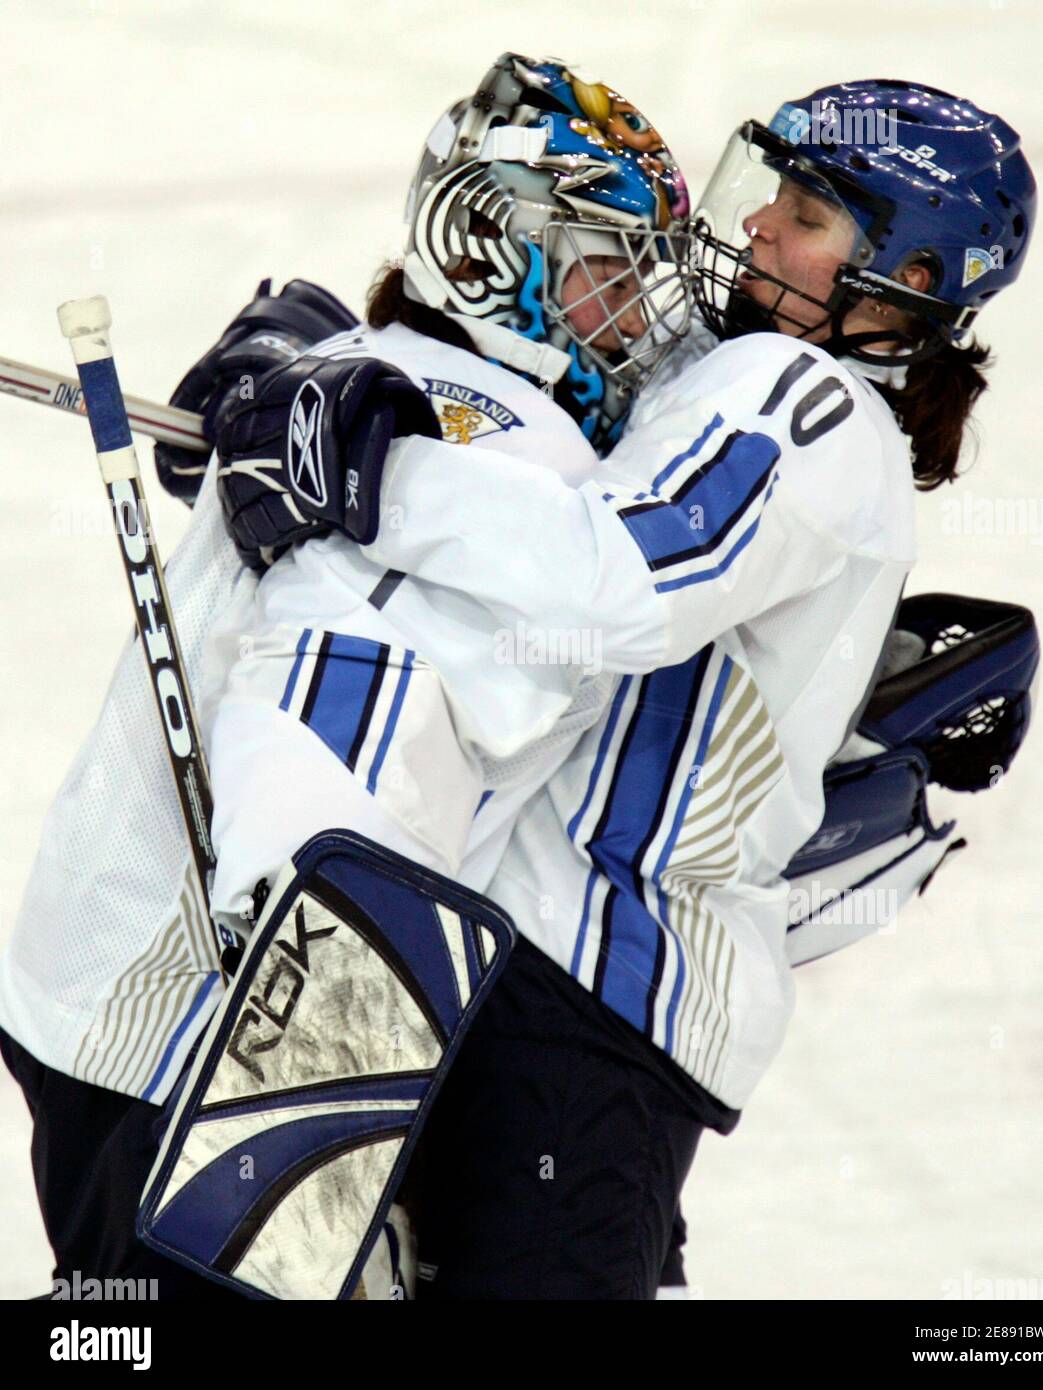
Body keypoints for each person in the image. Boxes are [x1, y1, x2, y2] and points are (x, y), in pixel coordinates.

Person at [222, 80, 1036, 1298]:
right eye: (774, 195)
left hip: (588, 1000)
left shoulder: (807, 405)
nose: (759, 224)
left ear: (909, 279)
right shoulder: (745, 380)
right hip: (537, 981)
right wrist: (331, 354)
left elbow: (622, 575)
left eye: (809, 213)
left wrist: (361, 468)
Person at [0, 52, 692, 1299]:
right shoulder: (498, 441)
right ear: (498, 251)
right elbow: (341, 714)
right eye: (602, 267)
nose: (636, 315)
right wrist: (306, 1091)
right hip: (209, 1039)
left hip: (105, 983)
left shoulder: (379, 384)